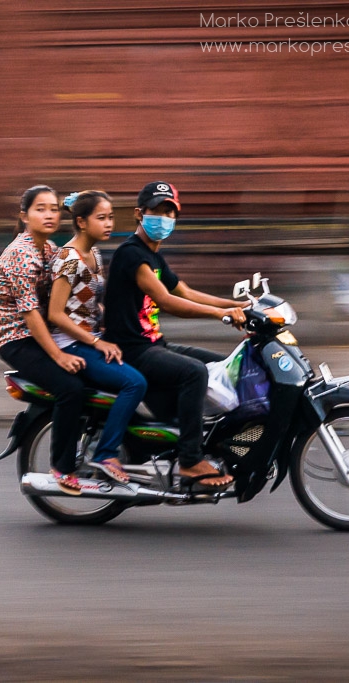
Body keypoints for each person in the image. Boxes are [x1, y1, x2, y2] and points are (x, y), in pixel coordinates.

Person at [103, 181, 247, 489]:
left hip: (153, 344)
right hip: (132, 350)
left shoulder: (154, 256)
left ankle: (211, 439)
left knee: (226, 364)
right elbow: (168, 301)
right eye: (157, 211)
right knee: (194, 373)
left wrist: (241, 305)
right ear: (139, 214)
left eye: (170, 212)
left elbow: (185, 291)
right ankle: (190, 461)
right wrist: (221, 315)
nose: (164, 218)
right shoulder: (131, 254)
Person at [0, 185, 87, 494]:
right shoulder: (20, 253)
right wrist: (59, 357)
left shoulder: (48, 249)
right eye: (40, 209)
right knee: (70, 389)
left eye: (54, 209)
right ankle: (62, 466)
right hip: (19, 342)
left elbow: (73, 273)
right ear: (25, 215)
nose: (48, 214)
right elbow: (31, 314)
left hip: (42, 334)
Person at [47, 190, 147, 484]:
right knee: (134, 382)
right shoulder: (68, 258)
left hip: (90, 336)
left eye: (111, 217)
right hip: (71, 343)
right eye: (101, 218)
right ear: (81, 221)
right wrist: (96, 341)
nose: (108, 223)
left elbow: (90, 303)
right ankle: (105, 452)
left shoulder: (95, 254)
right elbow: (56, 314)